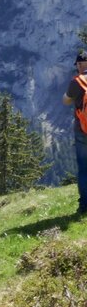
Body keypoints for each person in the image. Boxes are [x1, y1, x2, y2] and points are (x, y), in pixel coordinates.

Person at [63, 49, 87, 215]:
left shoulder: (77, 81)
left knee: (84, 168)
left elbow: (66, 100)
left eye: (78, 63)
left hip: (82, 130)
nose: (78, 66)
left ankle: (85, 205)